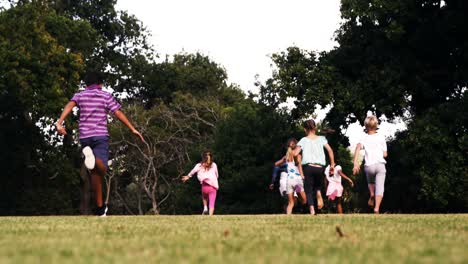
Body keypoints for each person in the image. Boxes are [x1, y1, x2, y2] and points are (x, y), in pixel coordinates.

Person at [56, 72, 144, 217]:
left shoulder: (80, 95)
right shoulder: (105, 95)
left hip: (85, 137)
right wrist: (132, 129)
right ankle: (95, 160)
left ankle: (100, 208)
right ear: (100, 84)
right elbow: (118, 113)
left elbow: (69, 106)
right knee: (102, 169)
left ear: (86, 84)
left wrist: (59, 122)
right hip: (100, 135)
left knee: (95, 173)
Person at [294, 119, 336, 215]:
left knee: (308, 189)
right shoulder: (321, 139)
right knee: (317, 185)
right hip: (320, 167)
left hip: (308, 167)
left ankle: (312, 210)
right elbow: (330, 150)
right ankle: (318, 192)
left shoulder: (303, 140)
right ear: (315, 128)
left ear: (305, 129)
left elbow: (295, 153)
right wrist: (332, 165)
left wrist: (297, 161)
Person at [352, 115, 388, 214]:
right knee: (380, 187)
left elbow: (358, 148)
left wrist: (355, 163)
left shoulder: (364, 138)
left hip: (369, 166)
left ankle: (372, 194)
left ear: (366, 126)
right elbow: (385, 154)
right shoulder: (381, 137)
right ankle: (376, 208)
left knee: (371, 182)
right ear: (376, 125)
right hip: (380, 165)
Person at [182, 151, 219, 215]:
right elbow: (217, 175)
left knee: (204, 197)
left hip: (204, 187)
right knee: (211, 203)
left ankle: (205, 207)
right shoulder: (214, 165)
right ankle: (210, 216)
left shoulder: (199, 165)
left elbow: (193, 171)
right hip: (212, 187)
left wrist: (188, 176)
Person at [275, 144, 307, 215]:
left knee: (290, 203)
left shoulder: (286, 157)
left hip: (289, 180)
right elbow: (299, 166)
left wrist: (283, 166)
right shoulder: (299, 156)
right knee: (304, 201)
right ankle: (298, 192)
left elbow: (276, 164)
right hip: (297, 179)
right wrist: (302, 175)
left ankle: (288, 217)